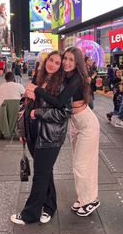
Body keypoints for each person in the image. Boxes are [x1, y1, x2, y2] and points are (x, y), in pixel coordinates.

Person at [26, 47, 100, 217]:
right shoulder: (66, 76)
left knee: (82, 164)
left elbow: (59, 102)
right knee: (80, 163)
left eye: (71, 60)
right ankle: (84, 198)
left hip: (86, 123)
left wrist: (37, 90)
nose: (66, 63)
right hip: (75, 123)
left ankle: (91, 200)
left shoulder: (77, 78)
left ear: (78, 62)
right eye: (65, 59)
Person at [11, 51, 71, 225]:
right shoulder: (39, 78)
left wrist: (37, 113)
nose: (52, 64)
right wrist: (23, 131)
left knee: (40, 174)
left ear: (61, 67)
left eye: (57, 63)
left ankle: (30, 214)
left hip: (50, 136)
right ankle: (49, 206)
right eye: (50, 60)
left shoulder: (62, 84)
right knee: (46, 172)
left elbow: (64, 112)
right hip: (34, 133)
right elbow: (25, 105)